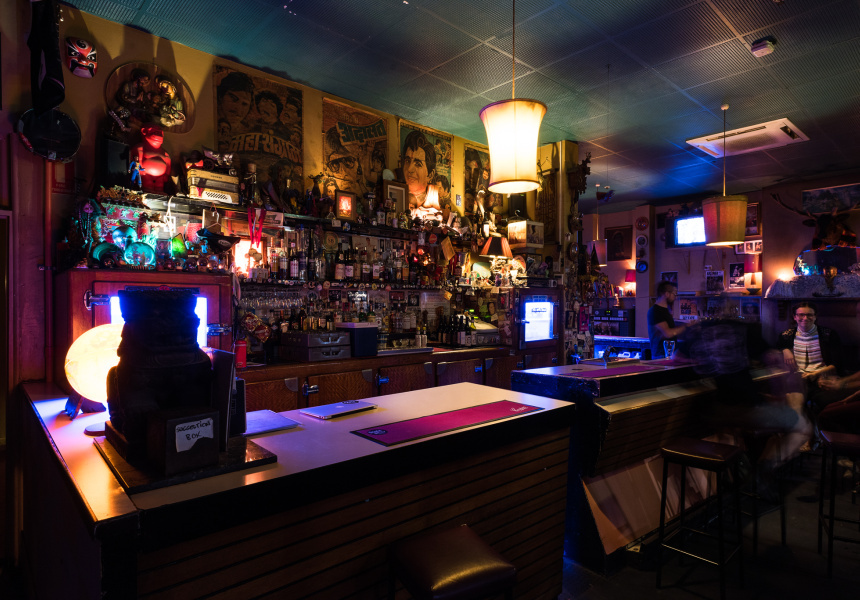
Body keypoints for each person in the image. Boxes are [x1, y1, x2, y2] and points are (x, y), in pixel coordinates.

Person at [647, 281, 686, 359]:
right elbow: (667, 333)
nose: (675, 297)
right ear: (667, 294)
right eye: (674, 294)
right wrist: (686, 326)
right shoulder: (655, 311)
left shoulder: (665, 310)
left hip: (668, 354)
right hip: (660, 355)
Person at [401, 130, 436, 212]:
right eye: (407, 161)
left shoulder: (431, 205)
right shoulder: (397, 199)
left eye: (418, 164)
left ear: (430, 175)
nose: (409, 169)